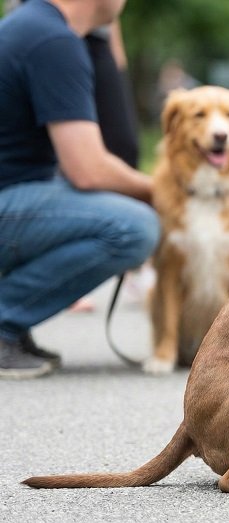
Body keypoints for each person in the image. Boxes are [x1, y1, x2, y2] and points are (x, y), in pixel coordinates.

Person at [0, 0, 158, 379]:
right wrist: (164, 192)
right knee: (135, 226)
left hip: (15, 192)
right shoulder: (54, 41)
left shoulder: (32, 27)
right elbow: (87, 169)